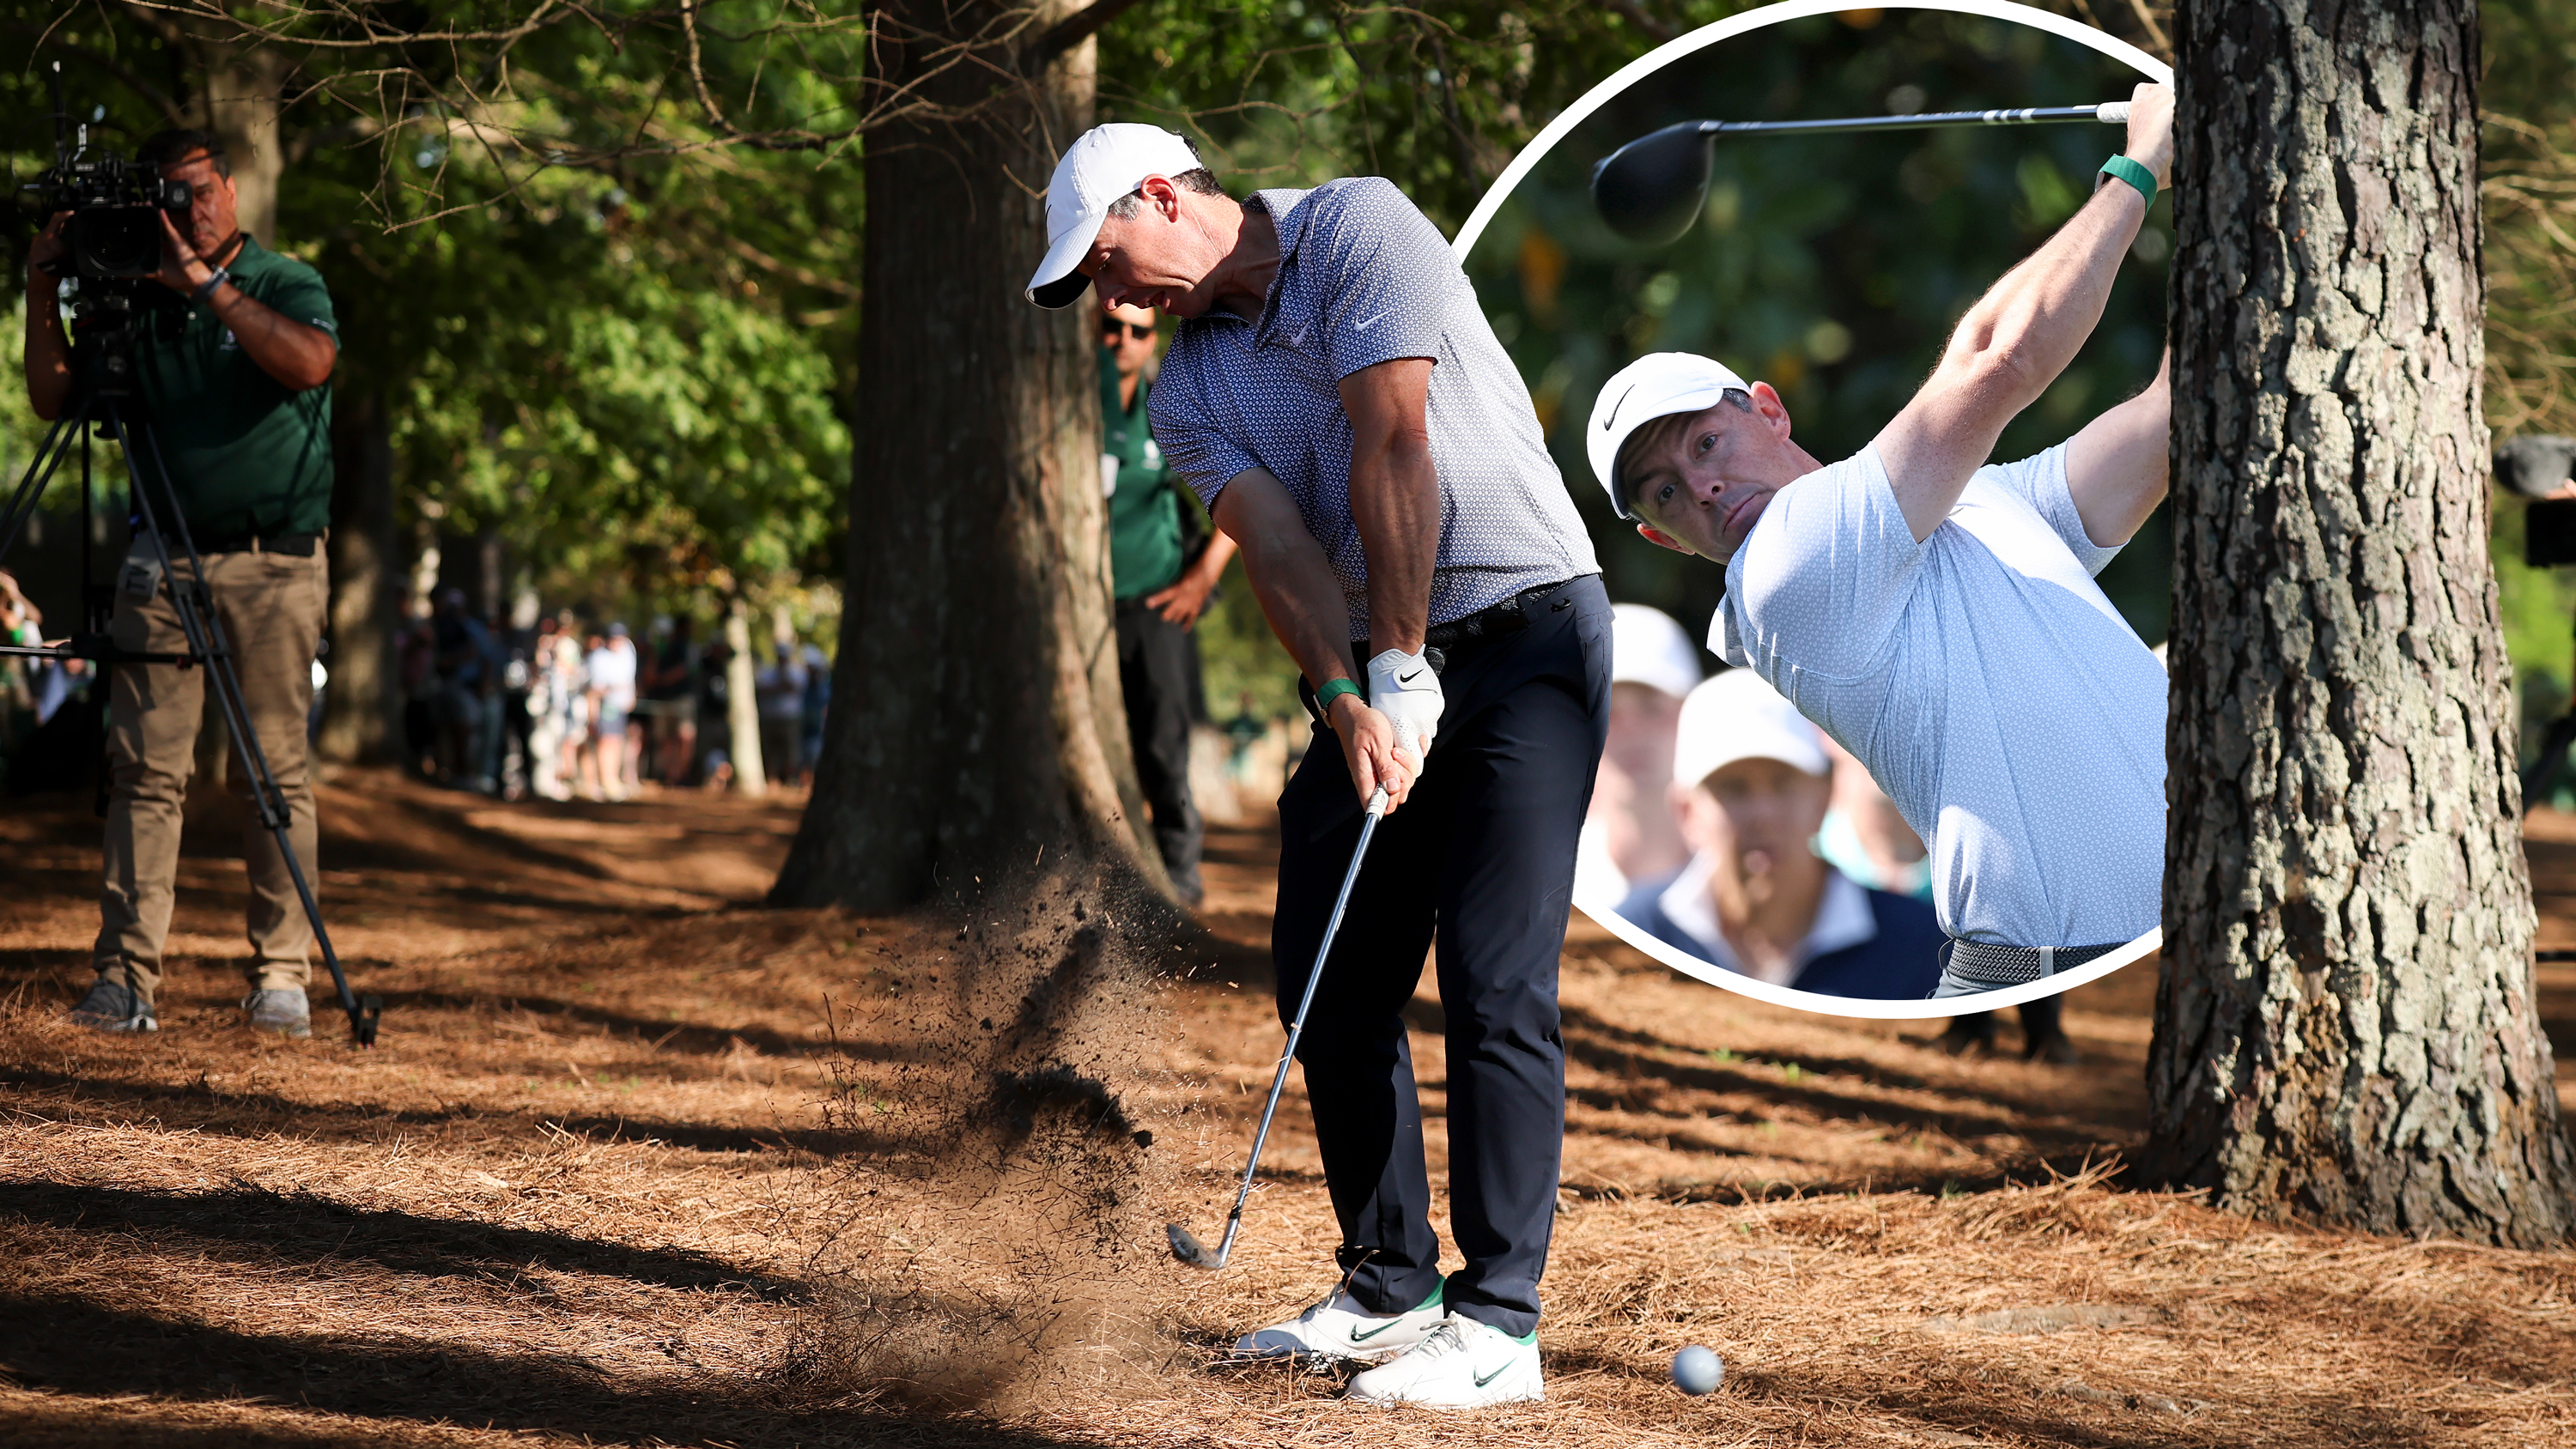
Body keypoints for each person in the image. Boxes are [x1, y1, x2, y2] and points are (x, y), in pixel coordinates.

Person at [1030, 123, 1606, 1408]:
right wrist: (1347, 695)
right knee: (1327, 972)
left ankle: (1500, 1322)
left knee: (1495, 975)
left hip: (1525, 634)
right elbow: (1281, 548)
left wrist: (1399, 662)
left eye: (1113, 262)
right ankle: (1391, 1283)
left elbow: (1394, 444)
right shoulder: (1184, 391)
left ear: (1164, 196)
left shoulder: (1361, 226)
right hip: (1374, 665)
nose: (1112, 300)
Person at [1585, 85, 2176, 1006]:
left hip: (2160, 935)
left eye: (1706, 442)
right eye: (1666, 490)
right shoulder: (1785, 571)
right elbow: (1997, 361)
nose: (1702, 484)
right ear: (1665, 535)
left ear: (1768, 410)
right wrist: (2140, 169)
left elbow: (2172, 421)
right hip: (2063, 966)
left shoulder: (1977, 505)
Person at [26, 128, 341, 1037]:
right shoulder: (134, 299)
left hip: (274, 560)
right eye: (168, 196)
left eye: (200, 192)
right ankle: (125, 978)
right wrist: (45, 285)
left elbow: (310, 363)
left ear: (234, 191)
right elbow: (55, 399)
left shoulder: (285, 282)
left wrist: (205, 287)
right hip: (161, 555)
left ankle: (282, 974)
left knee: (271, 767)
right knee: (144, 773)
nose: (188, 212)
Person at [1617, 670, 1943, 999]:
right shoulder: (1632, 933)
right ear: (1687, 813)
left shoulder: (1925, 948)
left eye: (1782, 784)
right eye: (1734, 788)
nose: (1763, 815)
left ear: (1824, 797)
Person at [1100, 299, 1239, 904]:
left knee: (1163, 744)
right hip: (1085, 616)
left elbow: (1242, 489)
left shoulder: (1169, 407)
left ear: (1153, 337)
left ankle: (1180, 876)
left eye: (1137, 329)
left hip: (1155, 612)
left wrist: (1202, 579)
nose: (1122, 339)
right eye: (1110, 326)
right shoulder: (1072, 405)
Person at [1571, 603, 1701, 914]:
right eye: (1609, 711)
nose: (1631, 730)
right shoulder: (1544, 877)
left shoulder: (1734, 872)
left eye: (1652, 707)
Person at [584, 622, 638, 800]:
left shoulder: (628, 651)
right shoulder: (598, 658)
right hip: (604, 705)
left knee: (616, 742)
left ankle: (612, 780)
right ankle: (605, 781)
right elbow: (595, 690)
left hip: (619, 706)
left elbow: (628, 681)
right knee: (605, 742)